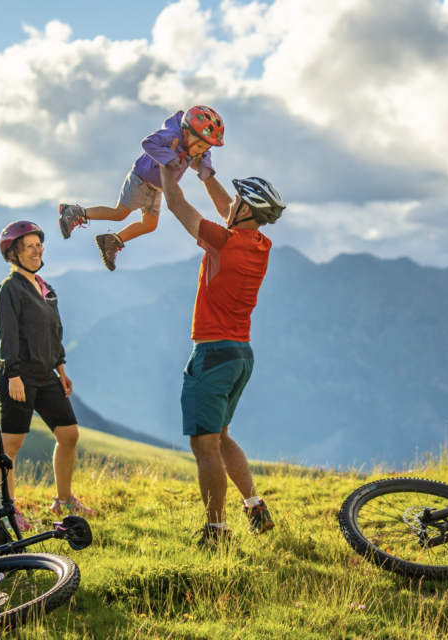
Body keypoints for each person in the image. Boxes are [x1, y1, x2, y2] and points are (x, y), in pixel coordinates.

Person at [157, 158, 284, 547]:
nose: (230, 204)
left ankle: (216, 531)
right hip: (241, 354)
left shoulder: (225, 241)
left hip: (212, 354)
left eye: (237, 201)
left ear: (245, 209)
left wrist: (166, 162)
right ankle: (254, 505)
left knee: (204, 444)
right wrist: (205, 174)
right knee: (222, 435)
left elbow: (178, 206)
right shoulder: (259, 243)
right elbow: (227, 210)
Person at [0, 220, 97, 530]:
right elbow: (8, 335)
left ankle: (63, 499)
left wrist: (61, 369)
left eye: (39, 244)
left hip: (47, 374)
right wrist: (13, 375)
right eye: (29, 246)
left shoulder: (45, 287)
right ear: (13, 253)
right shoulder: (9, 288)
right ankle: (5, 510)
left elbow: (55, 332)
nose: (37, 250)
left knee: (69, 435)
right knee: (11, 445)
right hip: (20, 375)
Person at [57, 105, 225, 271]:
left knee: (150, 225)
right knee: (119, 214)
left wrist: (204, 168)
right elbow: (148, 142)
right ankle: (75, 212)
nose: (201, 152)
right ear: (188, 133)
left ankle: (111, 241)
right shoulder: (170, 135)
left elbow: (204, 158)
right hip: (141, 178)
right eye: (201, 147)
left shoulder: (195, 147)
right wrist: (169, 157)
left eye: (206, 147)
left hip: (157, 188)